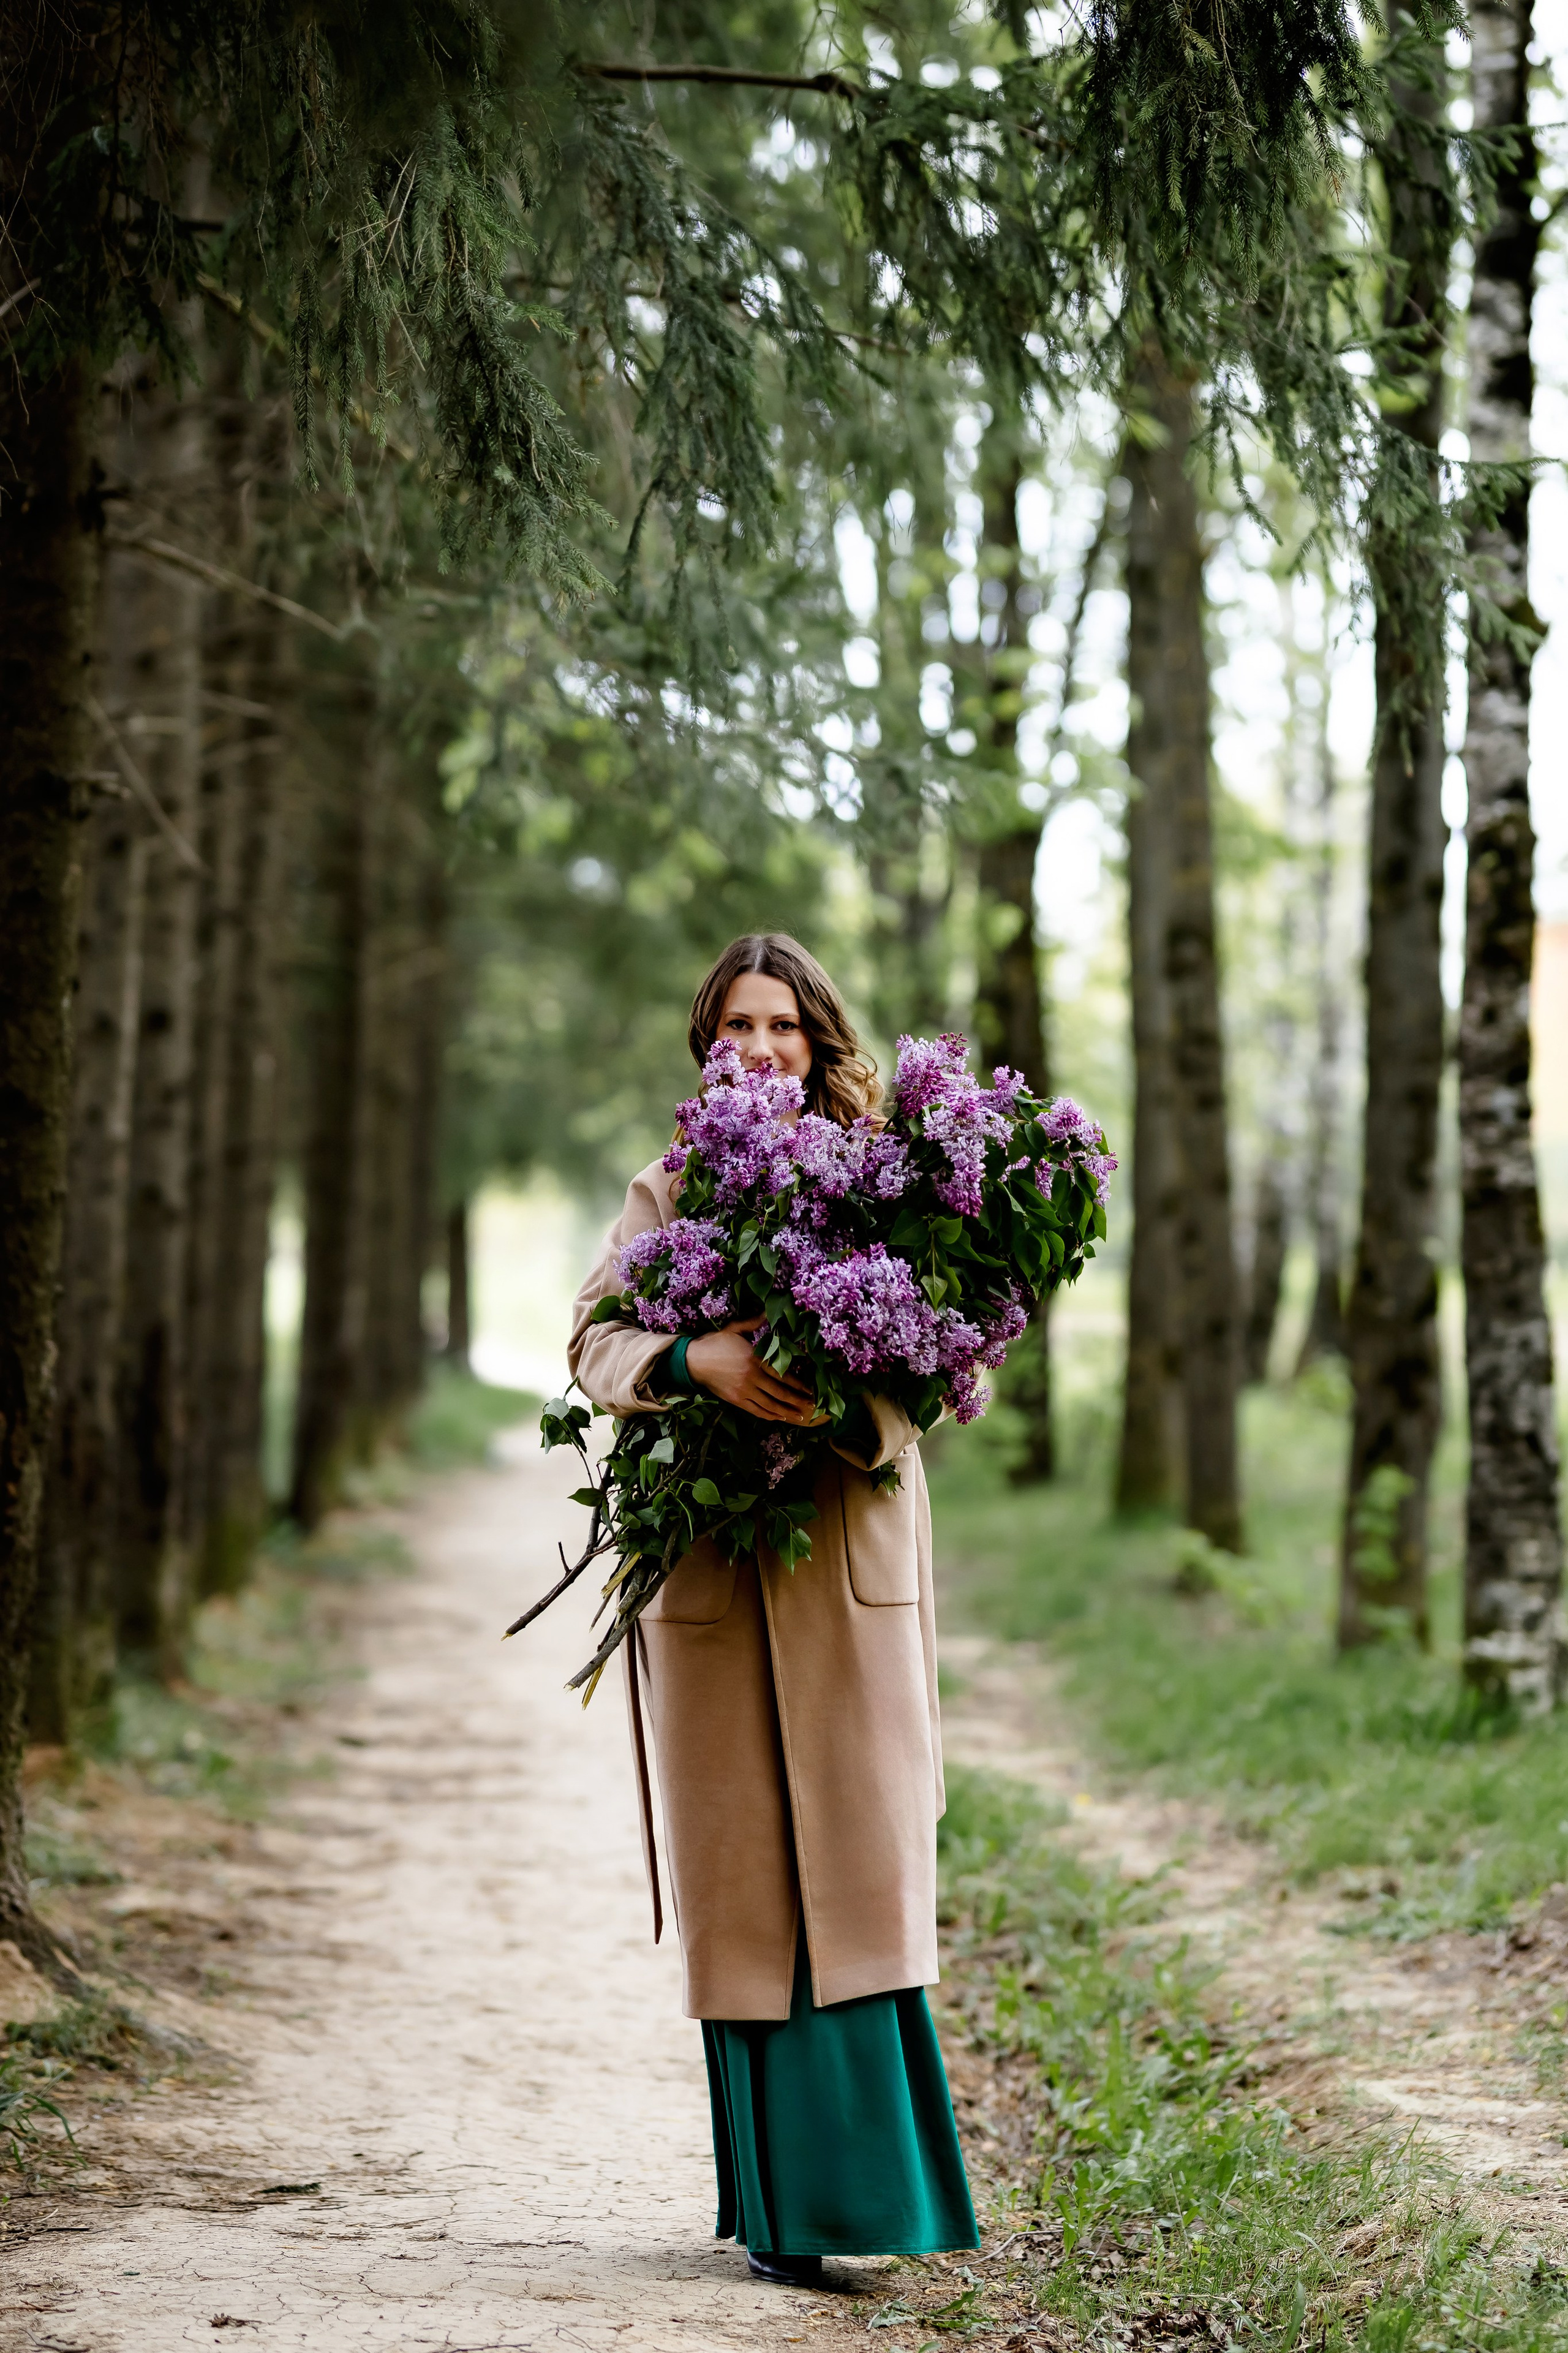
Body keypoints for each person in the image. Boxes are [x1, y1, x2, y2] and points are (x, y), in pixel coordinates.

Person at [567, 932, 978, 2286]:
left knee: (856, 1879)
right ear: (707, 1044)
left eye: (782, 1024)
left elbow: (934, 1364)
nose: (757, 1046)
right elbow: (591, 1342)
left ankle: (869, 2197)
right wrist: (698, 1358)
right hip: (712, 1580)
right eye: (735, 1024)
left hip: (841, 1569)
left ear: (818, 1037)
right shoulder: (670, 1186)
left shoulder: (887, 1181)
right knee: (746, 1890)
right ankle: (781, 2217)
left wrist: (834, 1402)